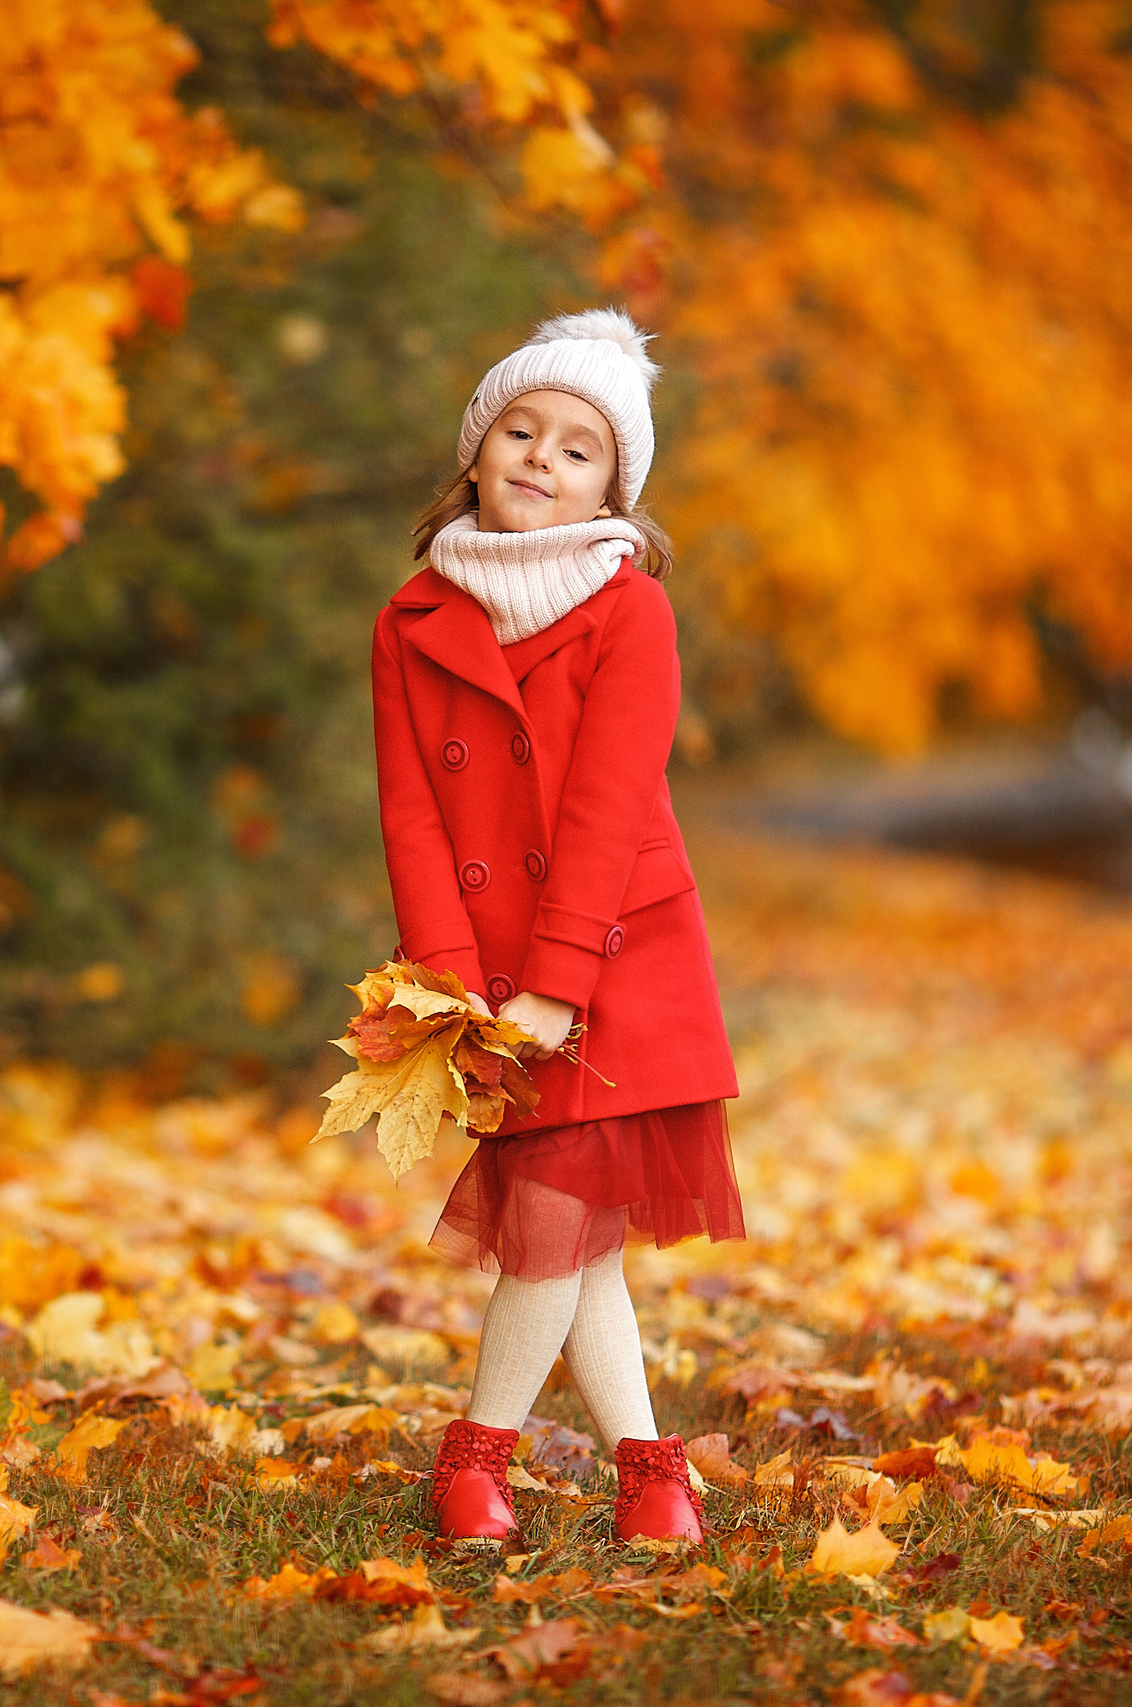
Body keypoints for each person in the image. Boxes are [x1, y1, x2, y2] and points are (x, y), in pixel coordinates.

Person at [370, 309, 745, 1548]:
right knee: (574, 1236)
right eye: (519, 430)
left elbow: (606, 806)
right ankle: (653, 1483)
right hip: (484, 971)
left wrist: (558, 982)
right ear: (475, 451)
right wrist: (451, 986)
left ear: (612, 487)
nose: (541, 457)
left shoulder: (630, 612)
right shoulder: (410, 622)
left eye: (578, 448)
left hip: (612, 951)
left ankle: (473, 1464)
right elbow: (413, 813)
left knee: (550, 1221)